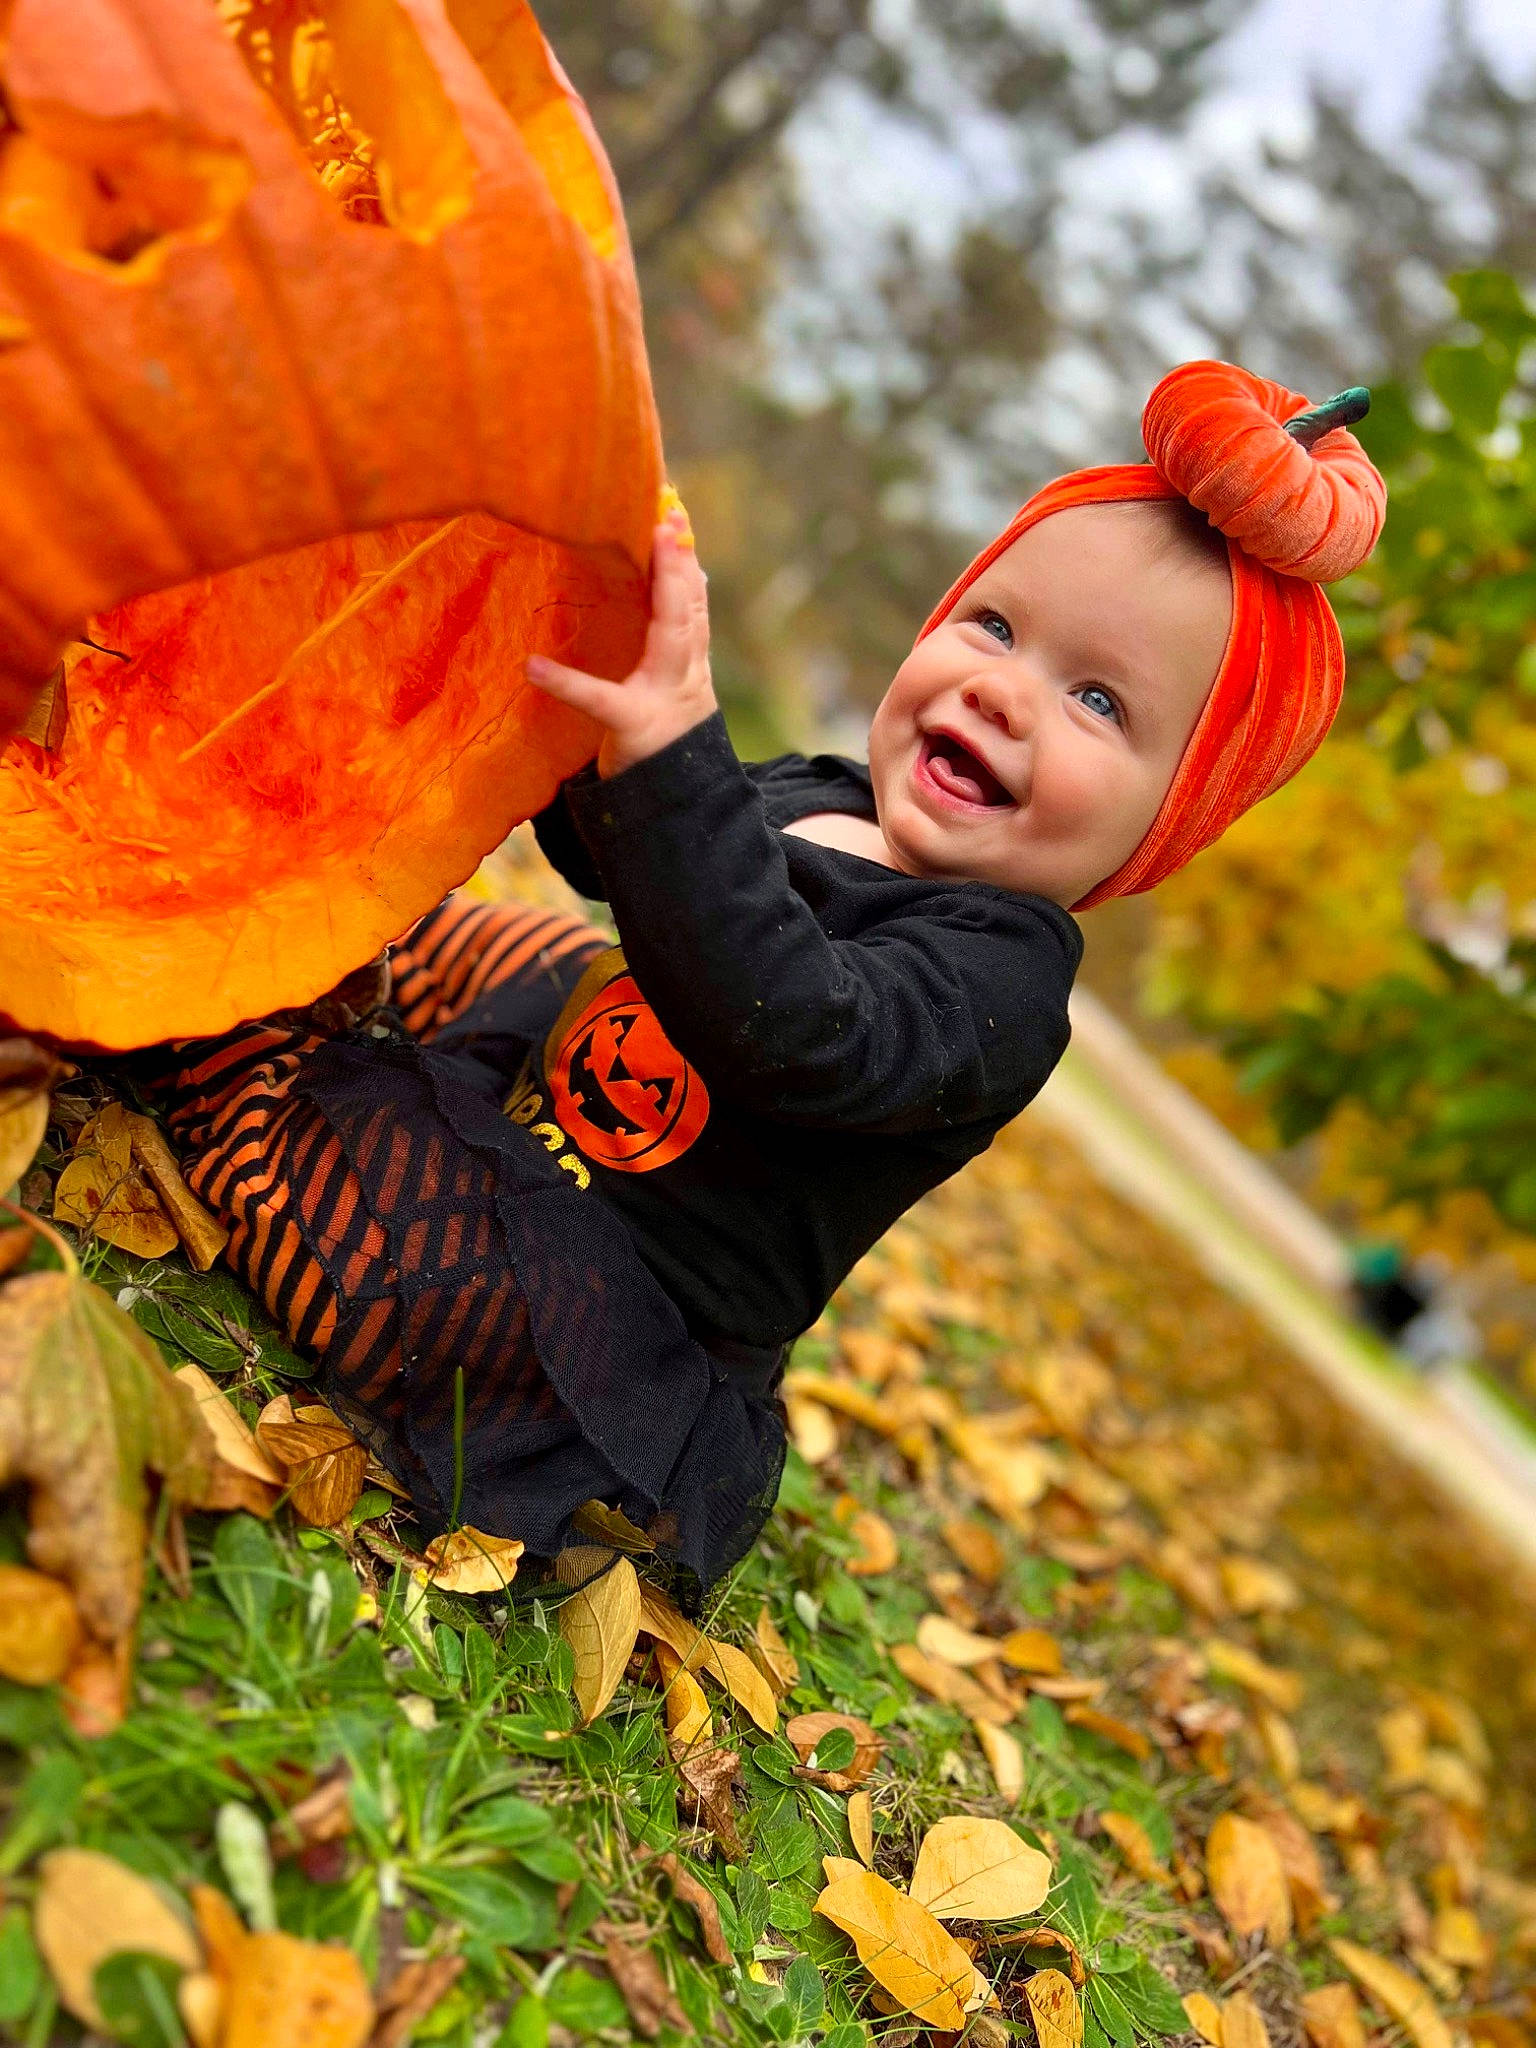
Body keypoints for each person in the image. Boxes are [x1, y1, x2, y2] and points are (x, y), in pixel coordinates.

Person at [143, 361, 1385, 1605]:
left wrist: (674, 762)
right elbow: (622, 852)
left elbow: (791, 1022)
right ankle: (337, 968)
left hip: (596, 1303)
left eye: (1098, 699)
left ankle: (241, 1061)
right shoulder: (828, 789)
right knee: (506, 948)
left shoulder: (1000, 981)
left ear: (1164, 825)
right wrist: (603, 702)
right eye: (995, 625)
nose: (1005, 689)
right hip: (555, 1076)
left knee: (367, 1182)